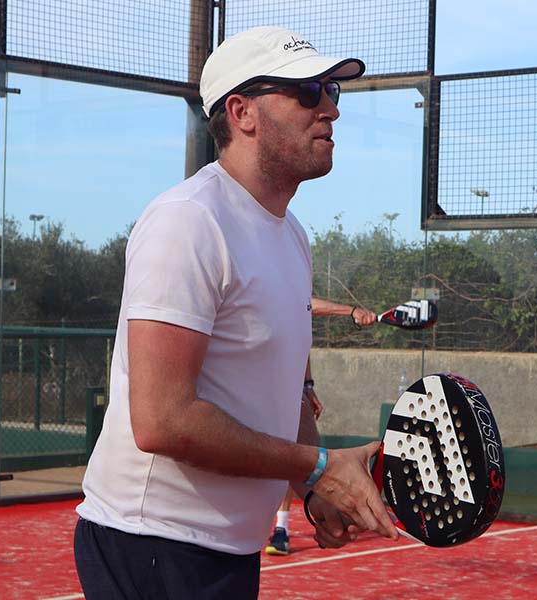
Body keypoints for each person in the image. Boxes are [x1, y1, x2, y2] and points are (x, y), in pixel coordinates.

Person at [73, 25, 397, 600]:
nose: (329, 109)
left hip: (225, 551)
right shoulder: (188, 222)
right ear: (242, 112)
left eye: (331, 92)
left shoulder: (292, 237)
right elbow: (161, 418)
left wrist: (311, 485)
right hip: (151, 544)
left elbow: (281, 390)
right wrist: (321, 464)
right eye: (307, 92)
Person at [266, 298, 377, 555]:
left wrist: (307, 386)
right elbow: (305, 304)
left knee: (292, 456)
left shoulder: (293, 278)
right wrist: (352, 311)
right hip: (256, 386)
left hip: (289, 390)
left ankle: (281, 529)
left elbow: (300, 341)